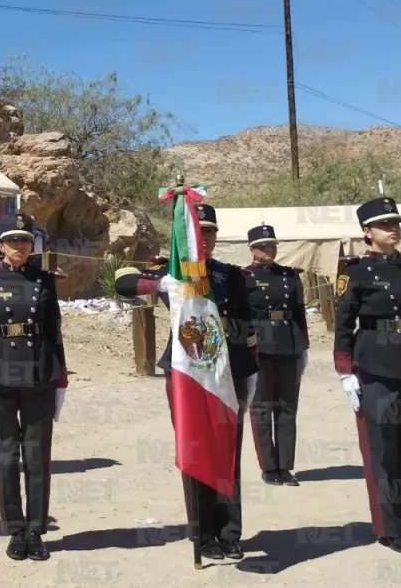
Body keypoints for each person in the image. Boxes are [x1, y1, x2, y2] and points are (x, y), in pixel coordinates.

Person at [114, 203, 258, 561]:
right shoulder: (169, 274)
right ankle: (203, 533)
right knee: (194, 449)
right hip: (185, 375)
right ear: (184, 238)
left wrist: (218, 328)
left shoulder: (232, 275)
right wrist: (161, 282)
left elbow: (248, 325)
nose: (203, 237)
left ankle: (230, 532)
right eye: (197, 231)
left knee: (228, 451)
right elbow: (121, 282)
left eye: (208, 231)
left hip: (226, 374)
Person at [334, 197, 401, 556]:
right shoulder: (356, 272)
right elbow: (343, 325)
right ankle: (392, 529)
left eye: (395, 222)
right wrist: (345, 373)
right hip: (378, 365)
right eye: (384, 224)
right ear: (367, 232)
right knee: (384, 450)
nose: (393, 228)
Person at [0, 213, 68, 562]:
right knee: (6, 453)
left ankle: (36, 530)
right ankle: (14, 528)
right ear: (0, 246)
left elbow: (54, 329)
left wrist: (61, 380)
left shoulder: (44, 279)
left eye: (25, 240)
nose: (19, 246)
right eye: (12, 240)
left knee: (37, 454)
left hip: (38, 372)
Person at [244, 224, 309, 487]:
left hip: (289, 343)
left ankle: (285, 466)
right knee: (261, 408)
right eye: (262, 246)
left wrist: (303, 347)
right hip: (260, 345)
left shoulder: (289, 275)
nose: (268, 250)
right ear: (252, 249)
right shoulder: (245, 276)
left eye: (272, 245)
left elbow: (299, 313)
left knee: (287, 409)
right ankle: (268, 467)